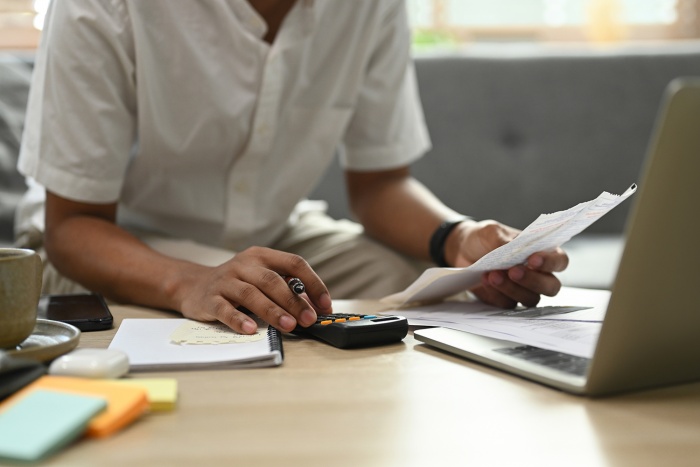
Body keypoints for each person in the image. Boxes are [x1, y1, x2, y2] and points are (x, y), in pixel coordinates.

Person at [16, 0, 568, 335]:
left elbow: (380, 184)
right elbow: (73, 225)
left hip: (277, 235)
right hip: (119, 245)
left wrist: (461, 241)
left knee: (426, 300)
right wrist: (191, 282)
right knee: (257, 321)